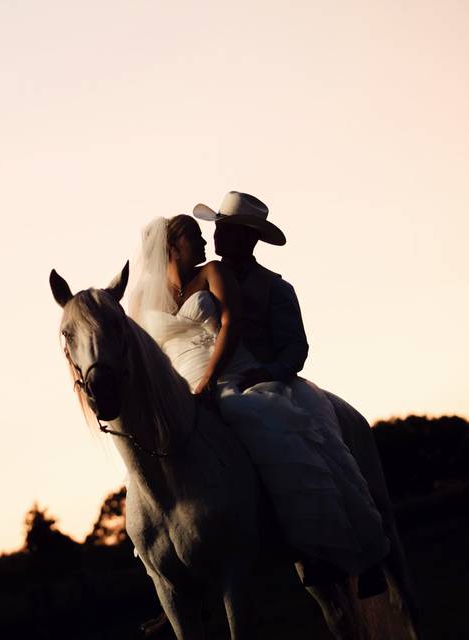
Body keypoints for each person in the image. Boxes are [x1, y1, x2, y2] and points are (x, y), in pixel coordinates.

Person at [125, 194, 390, 599]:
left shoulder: (250, 281)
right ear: (172, 246)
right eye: (201, 233)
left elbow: (283, 344)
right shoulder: (149, 294)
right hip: (178, 384)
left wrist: (243, 374)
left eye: (217, 231)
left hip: (233, 373)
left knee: (269, 428)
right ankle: (166, 560)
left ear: (247, 237)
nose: (209, 238)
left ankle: (322, 539)